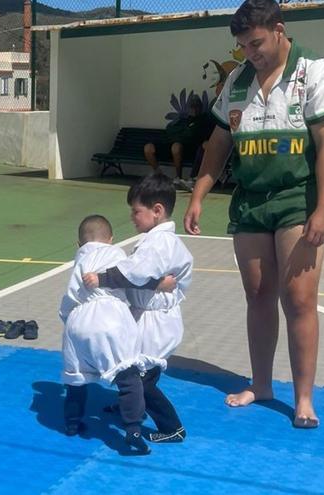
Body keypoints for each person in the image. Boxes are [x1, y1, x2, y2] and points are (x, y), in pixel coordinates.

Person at [182, 0, 324, 429]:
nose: (250, 53)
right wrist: (199, 192)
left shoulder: (317, 71)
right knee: (257, 295)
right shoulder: (237, 81)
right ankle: (262, 384)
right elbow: (218, 145)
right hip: (251, 201)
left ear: (278, 29)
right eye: (242, 46)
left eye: (255, 43)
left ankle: (304, 398)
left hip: (296, 198)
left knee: (298, 299)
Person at [84, 173, 193, 444]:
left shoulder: (161, 243)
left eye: (136, 212)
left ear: (157, 211)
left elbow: (135, 273)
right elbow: (145, 276)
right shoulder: (154, 241)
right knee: (126, 365)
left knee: (142, 379)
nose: (132, 218)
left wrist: (102, 278)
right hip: (144, 315)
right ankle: (127, 405)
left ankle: (172, 427)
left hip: (158, 322)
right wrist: (157, 283)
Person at [143, 95, 214, 190]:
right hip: (169, 143)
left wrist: (181, 133)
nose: (193, 109)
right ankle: (158, 174)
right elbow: (170, 130)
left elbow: (191, 134)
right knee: (148, 148)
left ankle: (178, 177)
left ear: (200, 108)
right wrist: (180, 133)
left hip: (187, 148)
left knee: (176, 147)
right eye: (191, 106)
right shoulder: (182, 120)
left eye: (196, 106)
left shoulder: (203, 120)